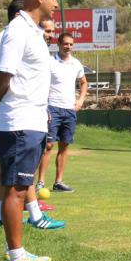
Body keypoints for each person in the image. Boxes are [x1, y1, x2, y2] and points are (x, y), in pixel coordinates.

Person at [0, 0, 61, 261]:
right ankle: (17, 258)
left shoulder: (31, 31)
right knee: (16, 191)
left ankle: (19, 251)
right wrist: (8, 105)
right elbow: (1, 76)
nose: (56, 4)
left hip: (30, 122)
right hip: (19, 123)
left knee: (21, 188)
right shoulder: (17, 31)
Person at [0, 0, 60, 227]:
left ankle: (31, 214)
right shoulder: (12, 35)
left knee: (13, 167)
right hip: (13, 113)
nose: (55, 3)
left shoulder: (15, 35)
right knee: (10, 171)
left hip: (15, 111)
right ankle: (7, 220)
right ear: (19, 14)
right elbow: (1, 77)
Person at [37, 31, 87, 193]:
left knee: (64, 146)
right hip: (52, 108)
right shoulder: (50, 62)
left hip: (69, 110)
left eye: (71, 44)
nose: (68, 47)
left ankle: (58, 182)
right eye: (66, 44)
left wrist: (80, 101)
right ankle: (40, 183)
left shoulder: (76, 63)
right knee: (48, 145)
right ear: (58, 44)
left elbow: (84, 82)